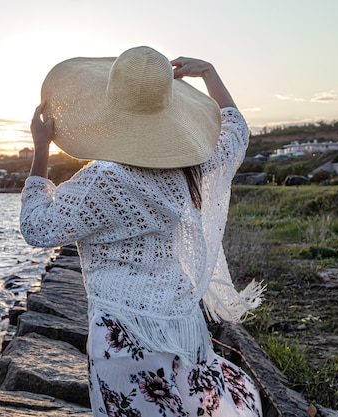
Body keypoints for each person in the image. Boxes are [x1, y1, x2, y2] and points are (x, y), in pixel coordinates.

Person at [20, 46, 264, 417]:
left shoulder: (103, 180)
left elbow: (37, 227)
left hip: (123, 334)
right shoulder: (193, 169)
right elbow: (236, 133)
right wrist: (210, 73)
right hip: (182, 324)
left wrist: (40, 149)